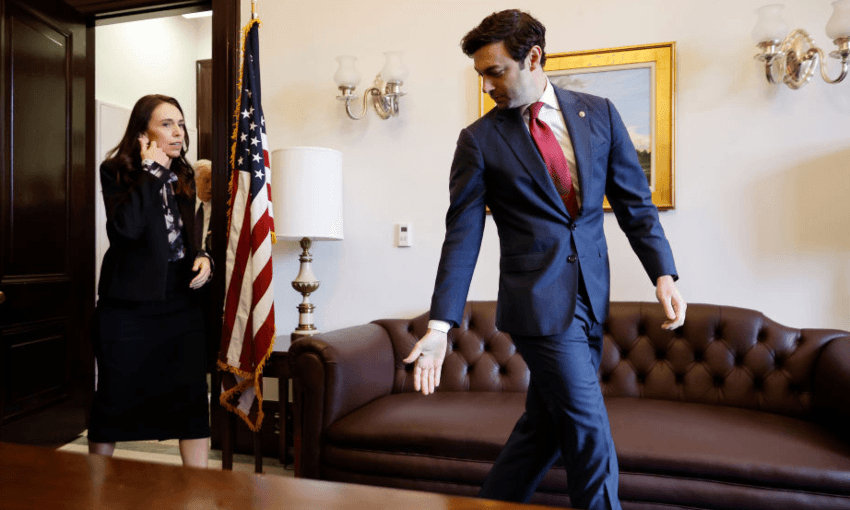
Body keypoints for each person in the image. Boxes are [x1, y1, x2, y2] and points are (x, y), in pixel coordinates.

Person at [403, 10, 686, 510]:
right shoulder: (480, 141)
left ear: (533, 58)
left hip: (591, 298)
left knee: (546, 428)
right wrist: (441, 325)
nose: (488, 84)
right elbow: (462, 235)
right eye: (481, 74)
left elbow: (634, 204)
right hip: (536, 306)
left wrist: (663, 272)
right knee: (588, 430)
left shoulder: (598, 114)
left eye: (496, 71)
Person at [88, 94, 213, 468]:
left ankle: (199, 492)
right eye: (166, 124)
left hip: (180, 303)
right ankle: (95, 486)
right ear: (142, 133)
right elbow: (125, 231)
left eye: (181, 123)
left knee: (191, 401)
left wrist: (202, 256)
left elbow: (189, 233)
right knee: (114, 398)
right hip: (127, 306)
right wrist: (151, 172)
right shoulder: (116, 170)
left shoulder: (186, 173)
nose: (178, 132)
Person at [193, 159, 212, 252]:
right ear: (195, 180)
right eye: (206, 180)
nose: (211, 186)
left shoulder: (221, 208)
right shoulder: (184, 205)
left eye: (214, 180)